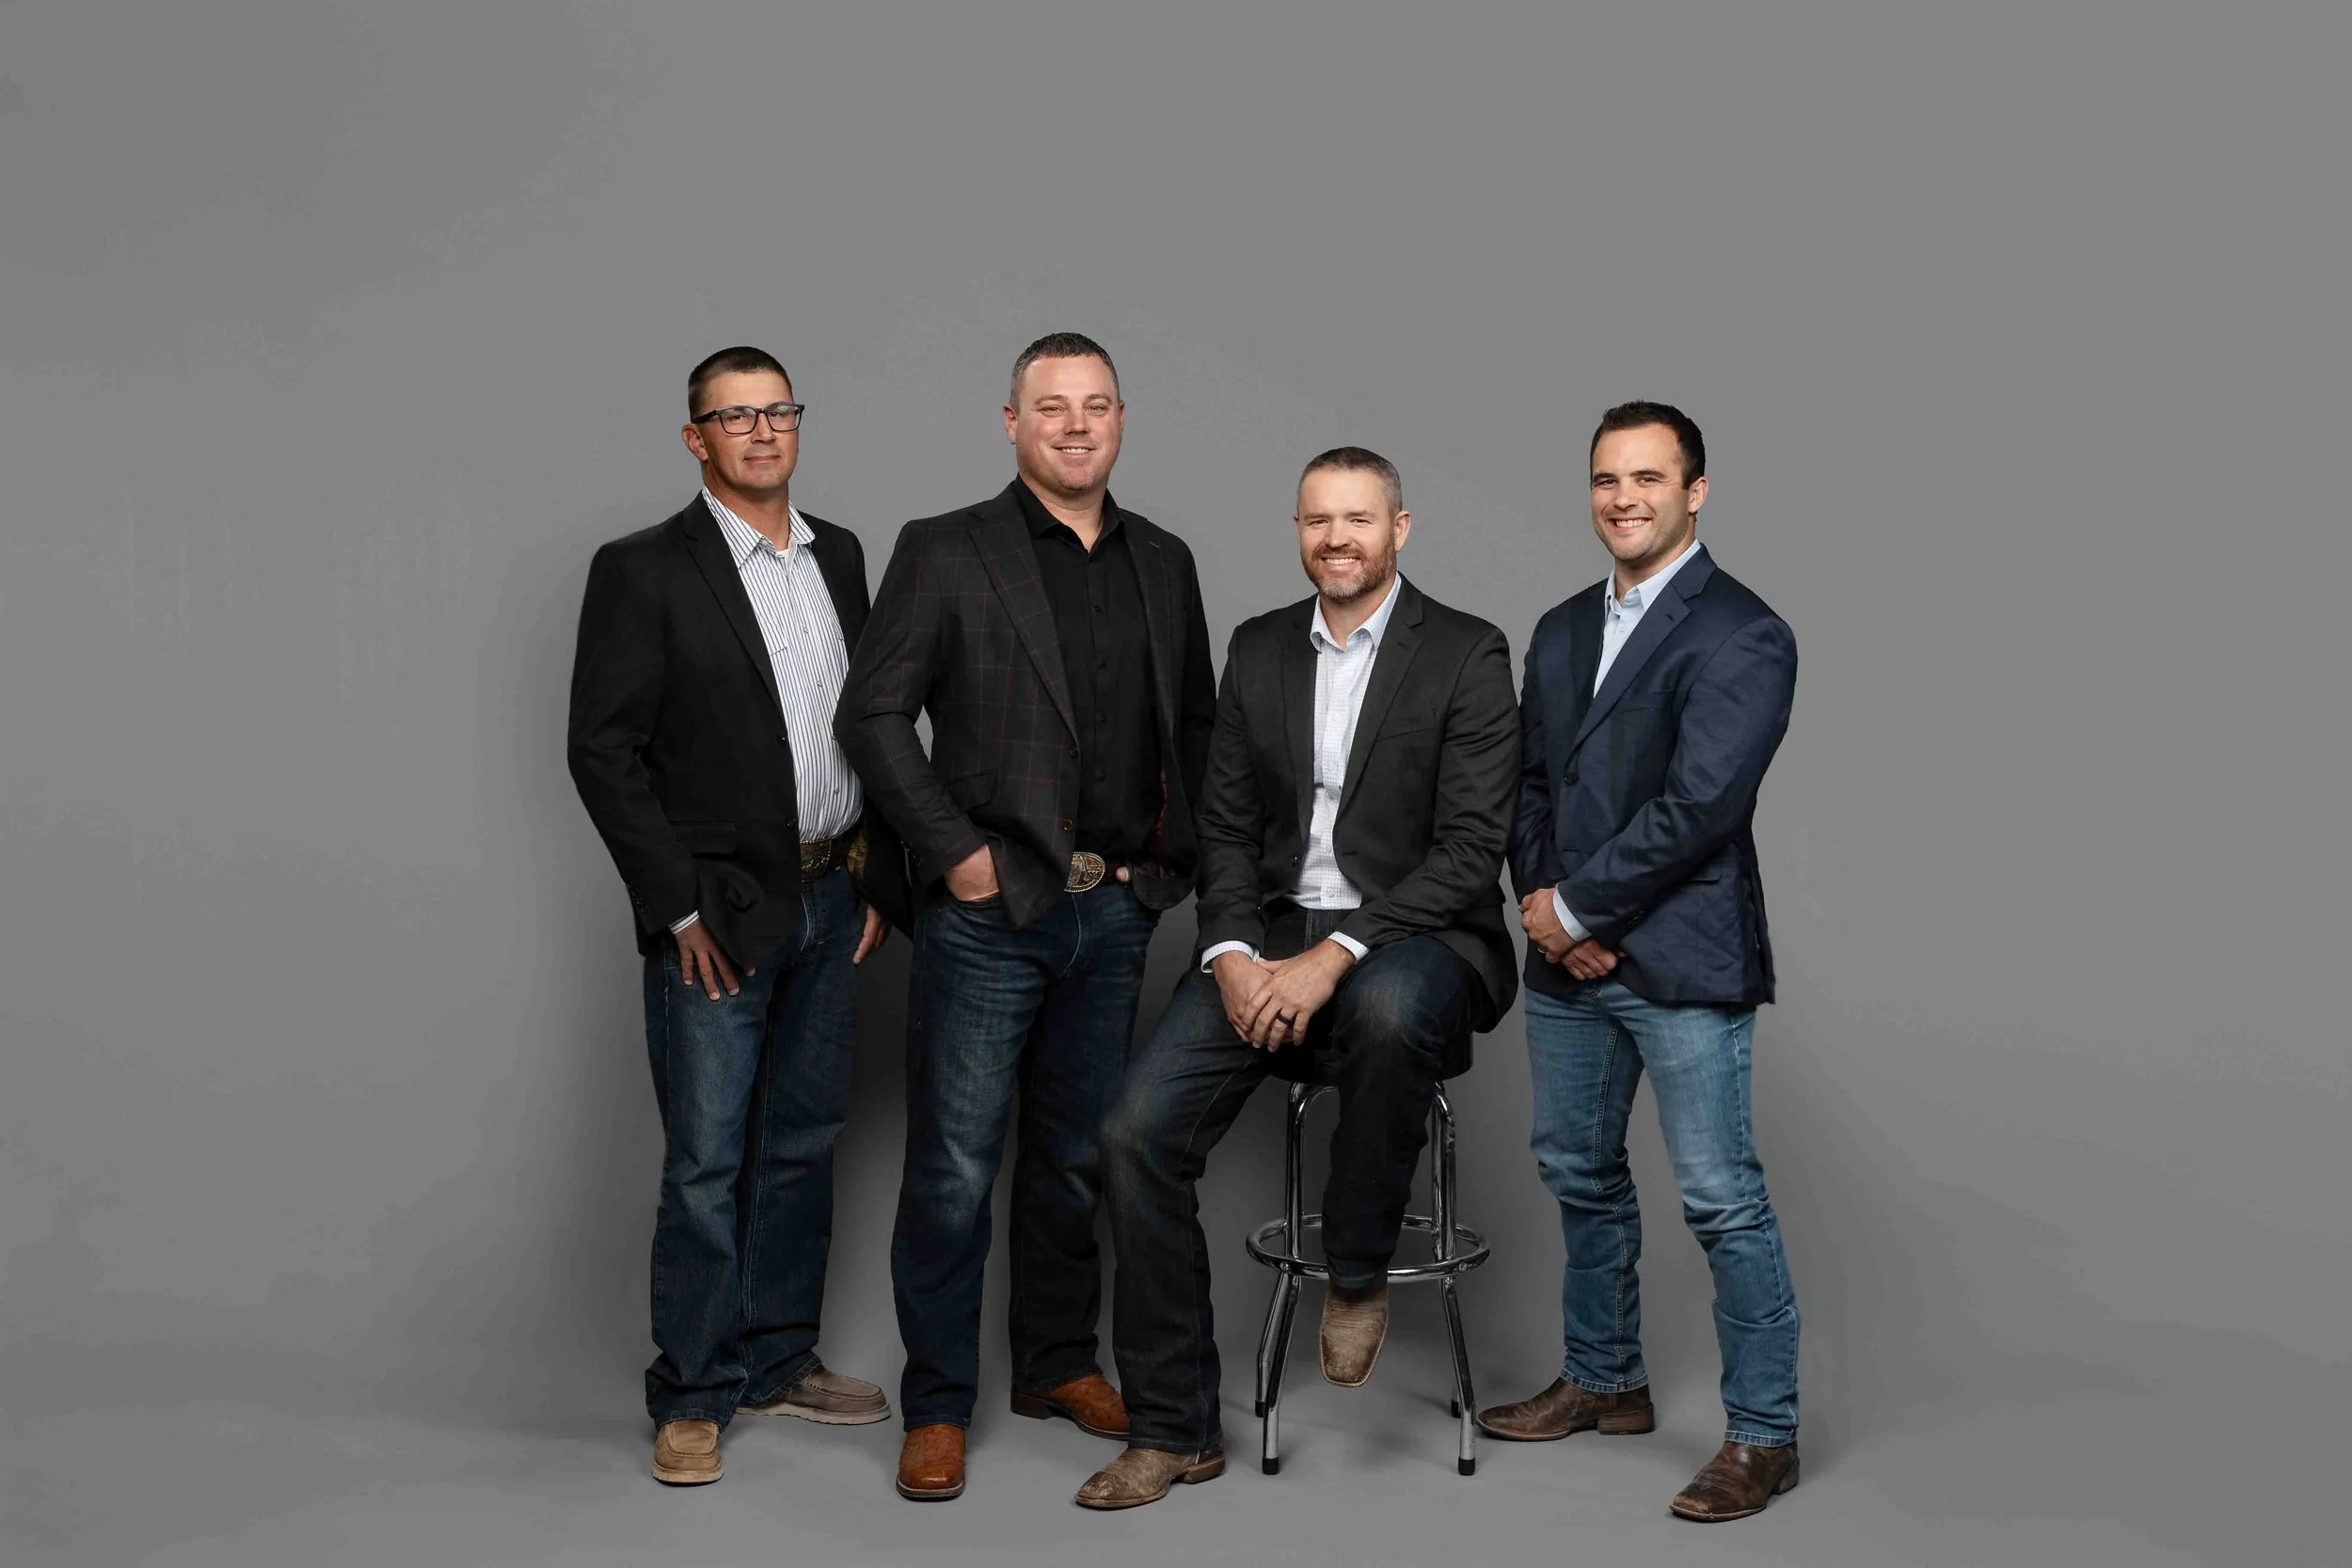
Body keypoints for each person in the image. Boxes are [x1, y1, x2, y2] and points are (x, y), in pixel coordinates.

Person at [1073, 447, 1519, 1510]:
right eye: (1318, 520)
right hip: (1266, 932)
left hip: (1419, 934)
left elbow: (1468, 849)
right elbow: (1222, 827)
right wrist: (1230, 953)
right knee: (1133, 1133)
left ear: (1399, 529)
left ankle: (1357, 1266)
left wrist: (1338, 950)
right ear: (1297, 528)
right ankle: (1176, 1429)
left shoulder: (1465, 651)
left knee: (1388, 1003)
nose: (1337, 539)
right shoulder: (1260, 646)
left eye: (1358, 519)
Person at [834, 333, 1216, 1502]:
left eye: (1096, 406)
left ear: (1119, 421)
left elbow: (1192, 726)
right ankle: (938, 1401)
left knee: (1070, 1158)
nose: (1075, 425)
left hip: (1114, 911)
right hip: (991, 913)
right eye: (1051, 407)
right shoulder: (947, 549)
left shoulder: (1163, 556)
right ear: (1010, 422)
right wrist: (952, 856)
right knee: (953, 1163)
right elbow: (874, 712)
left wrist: (1170, 870)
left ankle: (1054, 1363)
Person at [565, 346, 904, 1486]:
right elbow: (601, 749)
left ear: (797, 424)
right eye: (733, 416)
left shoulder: (841, 556)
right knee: (709, 1159)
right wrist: (671, 907)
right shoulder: (644, 568)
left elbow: (871, 725)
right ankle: (693, 1391)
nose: (761, 432)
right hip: (715, 914)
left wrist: (875, 872)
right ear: (695, 438)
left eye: (777, 411)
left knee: (802, 1143)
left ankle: (775, 1357)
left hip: (830, 894)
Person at [1478, 402, 1803, 1523]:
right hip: (1565, 960)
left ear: (1695, 491)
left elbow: (1701, 804)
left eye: (1649, 479)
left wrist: (1573, 903)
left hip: (1682, 958)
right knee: (1575, 1165)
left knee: (1720, 1195)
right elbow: (1529, 781)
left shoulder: (1744, 630)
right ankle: (1605, 1376)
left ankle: (1764, 1431)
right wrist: (1541, 903)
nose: (1624, 498)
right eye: (1606, 479)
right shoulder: (1564, 624)